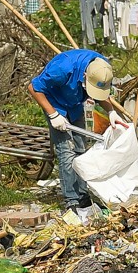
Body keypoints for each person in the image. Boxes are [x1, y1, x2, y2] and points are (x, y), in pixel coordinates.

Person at [28, 48, 115, 218]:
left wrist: (111, 112)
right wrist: (53, 115)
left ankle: (83, 196)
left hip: (75, 104)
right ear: (84, 76)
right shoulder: (62, 69)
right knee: (66, 152)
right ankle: (72, 200)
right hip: (55, 104)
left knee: (81, 150)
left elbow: (100, 92)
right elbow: (33, 88)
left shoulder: (102, 68)